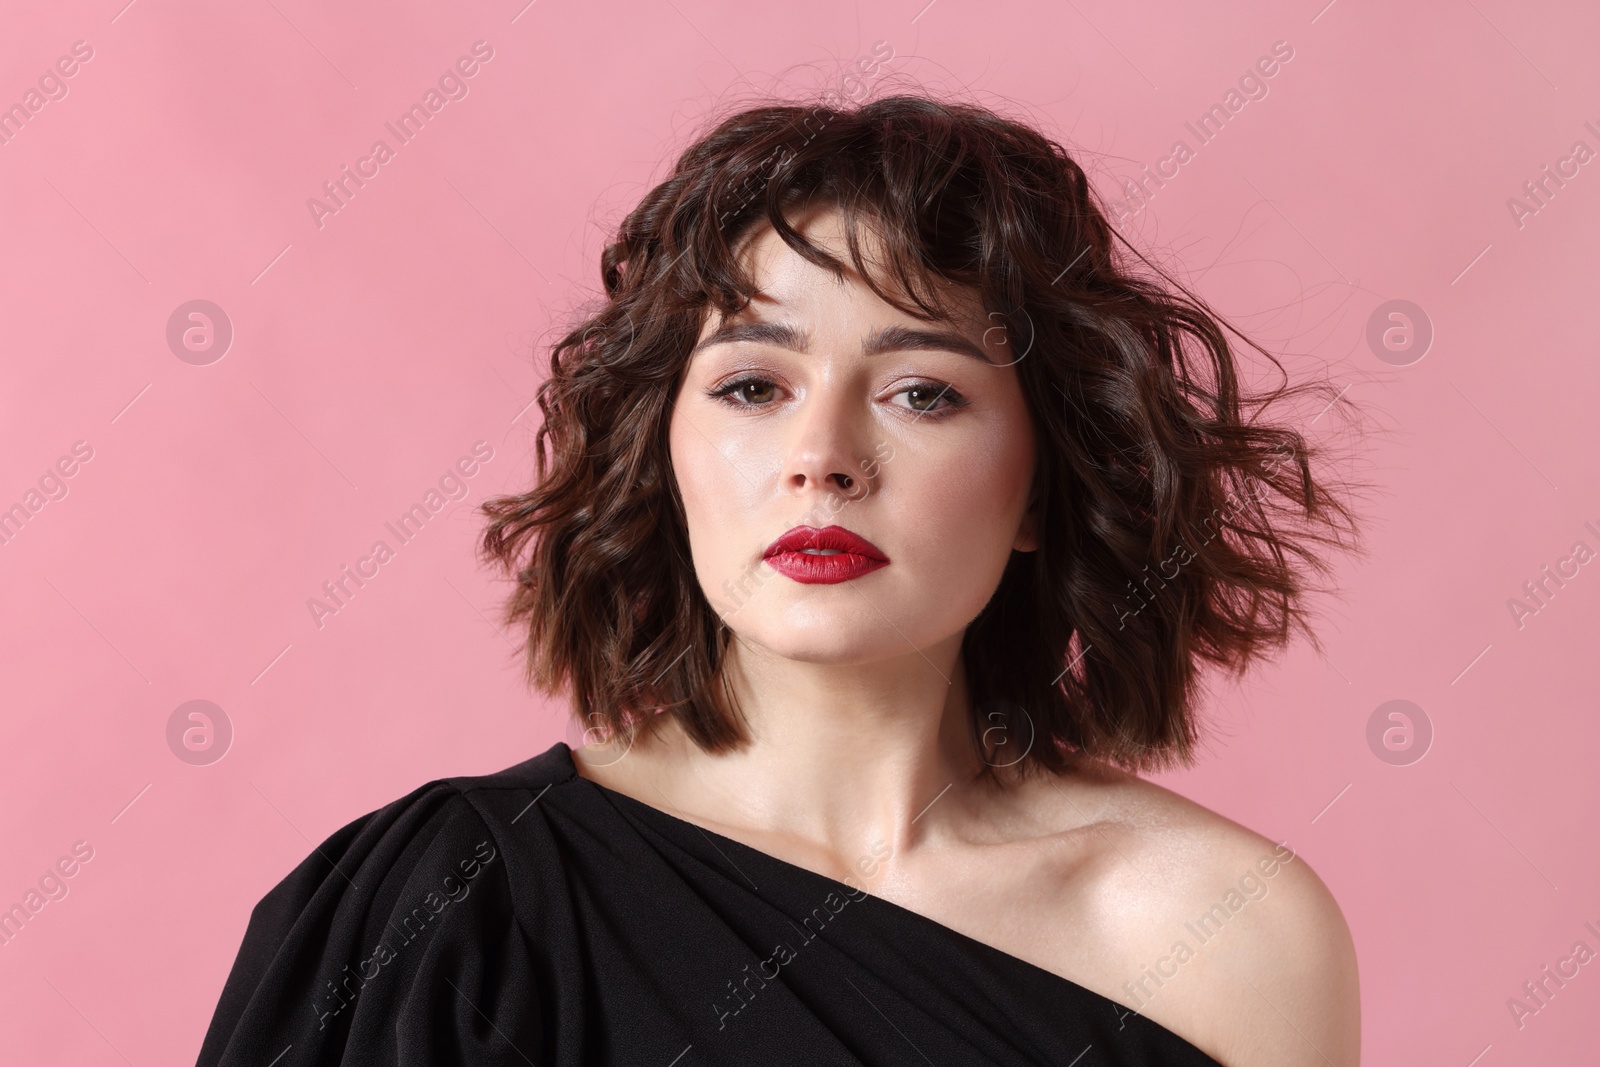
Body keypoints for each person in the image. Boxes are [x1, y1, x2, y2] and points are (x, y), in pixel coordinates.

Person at [196, 93, 1364, 1067]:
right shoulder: (448, 910)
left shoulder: (1228, 932)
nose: (823, 456)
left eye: (922, 392)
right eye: (754, 385)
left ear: (1042, 490)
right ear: (664, 449)